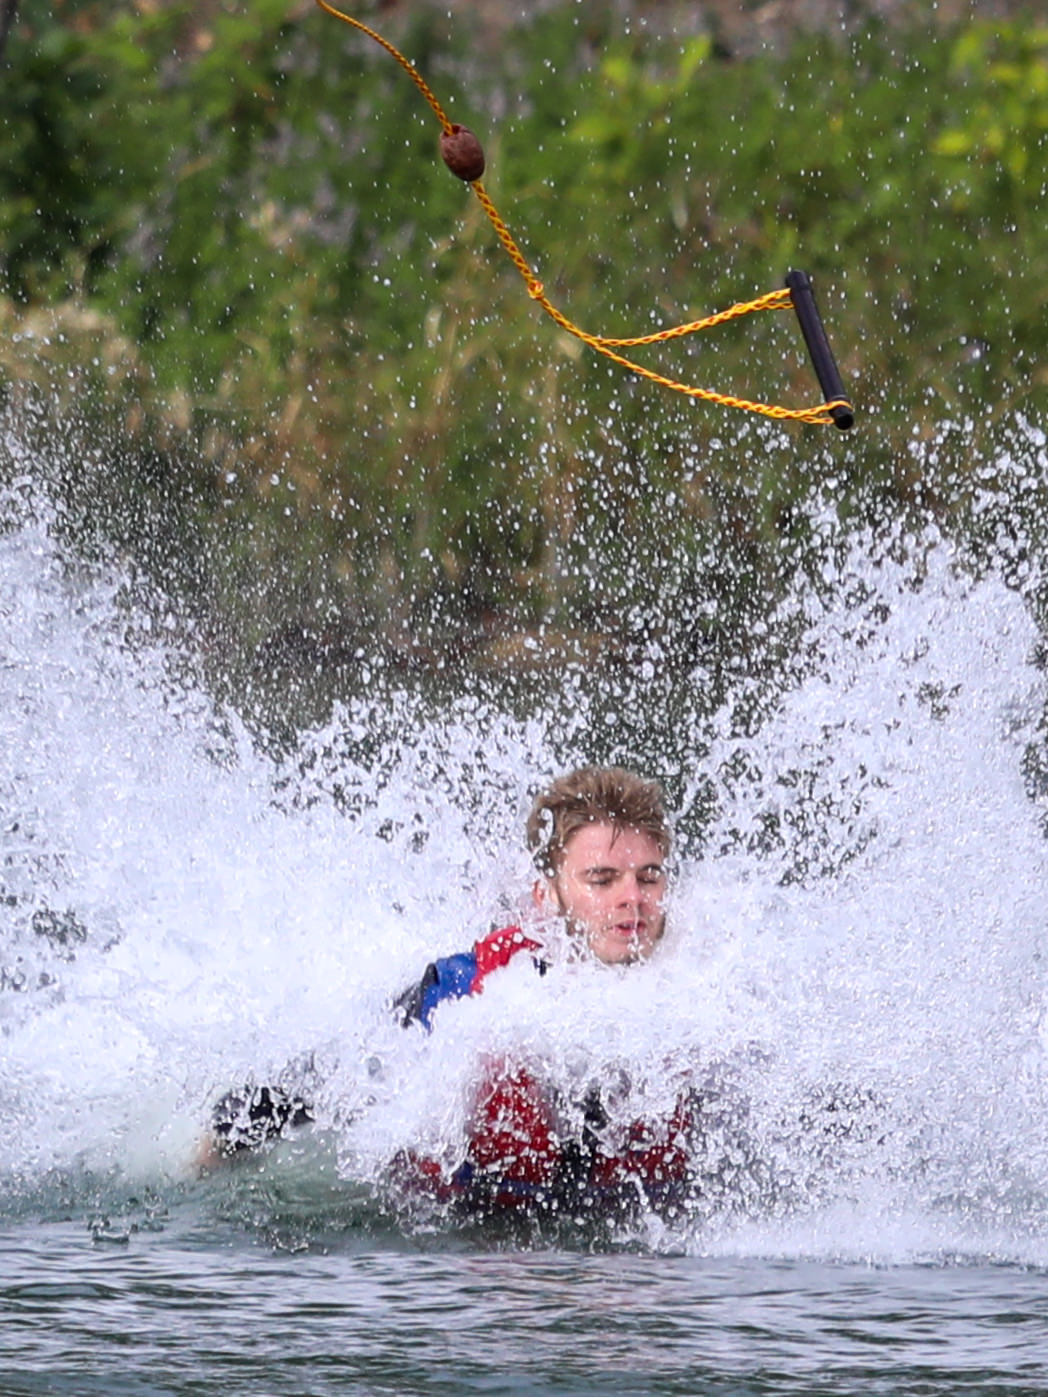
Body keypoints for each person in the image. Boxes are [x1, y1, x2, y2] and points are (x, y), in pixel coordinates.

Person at [205, 766, 698, 1218]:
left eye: (649, 877)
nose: (632, 898)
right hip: (466, 1235)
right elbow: (323, 1082)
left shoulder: (703, 992)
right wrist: (206, 1165)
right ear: (546, 895)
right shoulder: (472, 994)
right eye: (602, 879)